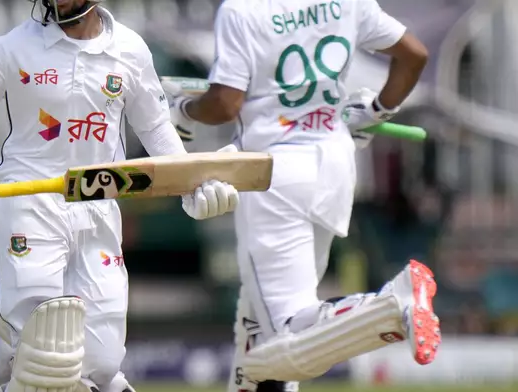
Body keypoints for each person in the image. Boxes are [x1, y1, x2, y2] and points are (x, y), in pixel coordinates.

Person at [0, 2, 239, 392]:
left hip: (98, 207)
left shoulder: (129, 49)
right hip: (31, 203)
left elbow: (157, 129)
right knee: (48, 360)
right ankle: (3, 287)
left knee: (104, 368)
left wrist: (192, 183)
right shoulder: (14, 47)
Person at [160, 0, 438, 389]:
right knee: (259, 316)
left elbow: (225, 103)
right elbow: (414, 55)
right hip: (334, 169)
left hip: (273, 174)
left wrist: (183, 109)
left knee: (288, 340)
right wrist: (374, 112)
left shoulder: (242, 11)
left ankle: (390, 305)